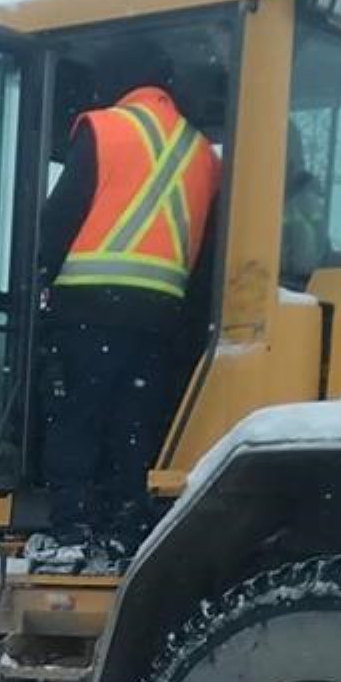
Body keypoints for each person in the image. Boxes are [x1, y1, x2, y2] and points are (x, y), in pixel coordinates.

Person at [38, 48, 223, 556]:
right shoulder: (202, 152)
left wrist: (38, 275)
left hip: (89, 310)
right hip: (160, 319)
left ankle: (71, 529)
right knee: (132, 427)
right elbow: (206, 250)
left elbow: (59, 219)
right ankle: (125, 526)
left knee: (77, 419)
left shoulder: (105, 129)